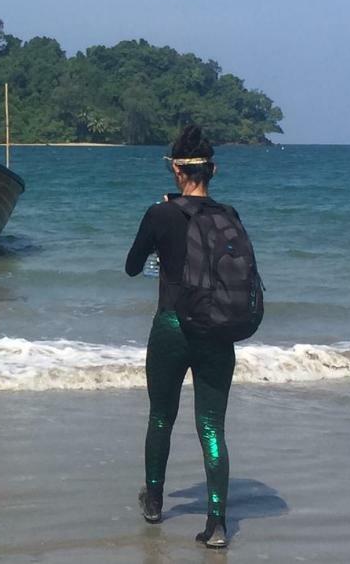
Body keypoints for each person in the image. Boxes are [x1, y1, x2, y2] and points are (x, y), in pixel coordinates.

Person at [124, 125, 237, 549]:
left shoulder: (160, 214)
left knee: (160, 416)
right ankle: (218, 523)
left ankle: (154, 502)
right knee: (212, 427)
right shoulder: (230, 215)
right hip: (218, 332)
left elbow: (132, 266)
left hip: (172, 326)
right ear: (214, 170)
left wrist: (159, 240)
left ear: (175, 170)